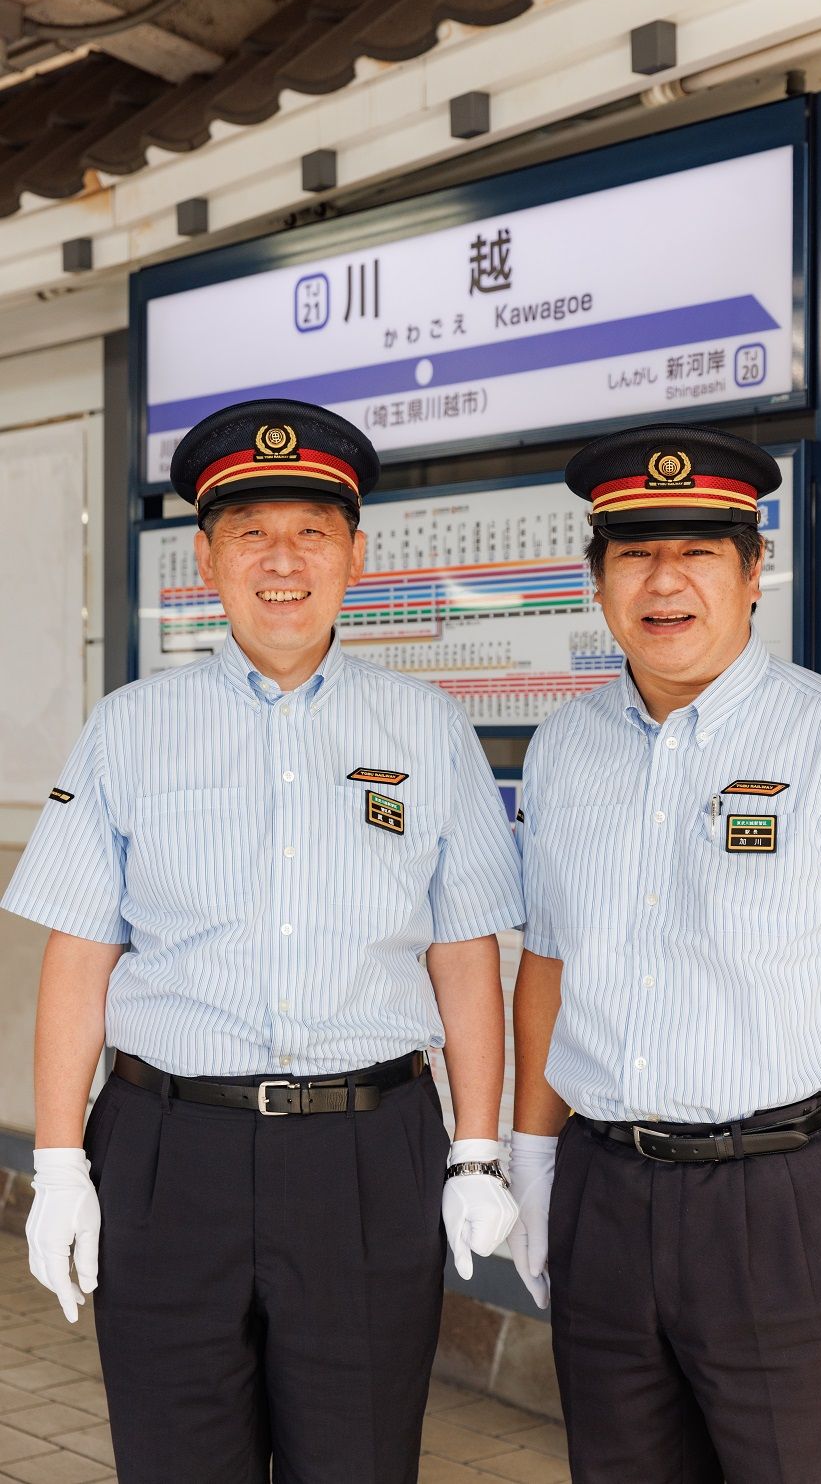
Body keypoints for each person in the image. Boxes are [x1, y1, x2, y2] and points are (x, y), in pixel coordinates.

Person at [3, 399, 524, 1484]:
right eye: (251, 535)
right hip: (164, 1148)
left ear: (355, 554)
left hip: (366, 1153)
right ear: (205, 558)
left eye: (309, 534)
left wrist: (476, 1148)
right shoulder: (130, 728)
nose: (281, 563)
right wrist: (58, 1160)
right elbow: (80, 956)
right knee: (176, 1459)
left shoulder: (425, 729)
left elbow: (465, 951)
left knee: (360, 1461)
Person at [507, 422, 821, 1484]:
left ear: (754, 569)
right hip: (604, 1183)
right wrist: (532, 1157)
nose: (663, 581)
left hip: (782, 1199)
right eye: (634, 553)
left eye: (698, 553)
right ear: (597, 579)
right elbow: (547, 964)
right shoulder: (564, 746)